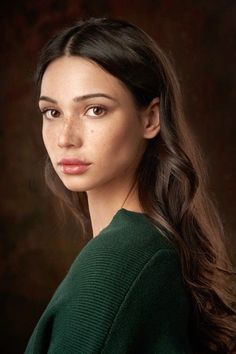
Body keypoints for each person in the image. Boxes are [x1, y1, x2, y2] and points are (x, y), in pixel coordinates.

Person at [24, 17, 236, 354]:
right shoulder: (154, 247)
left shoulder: (118, 262)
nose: (65, 138)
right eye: (52, 112)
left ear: (151, 118)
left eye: (95, 110)